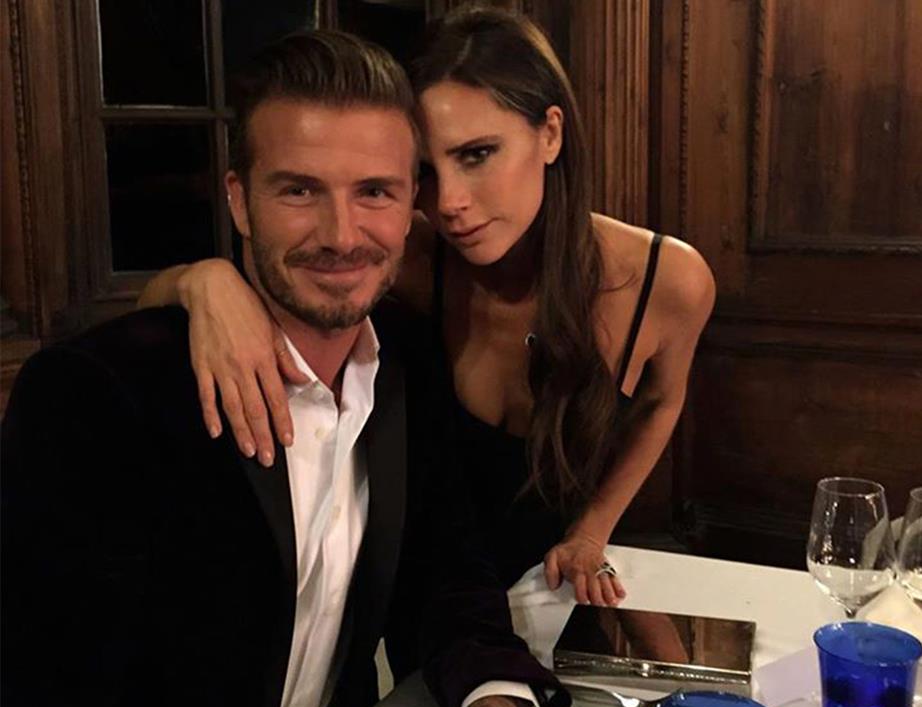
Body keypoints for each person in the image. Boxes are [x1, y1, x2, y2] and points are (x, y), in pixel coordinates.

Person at [0, 29, 567, 707]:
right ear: (240, 201)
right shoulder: (98, 397)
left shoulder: (408, 361)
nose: (341, 235)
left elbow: (448, 579)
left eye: (374, 192)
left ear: (411, 205)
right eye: (299, 190)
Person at [140, 7, 715, 607]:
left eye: (477, 154)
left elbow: (662, 399)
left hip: (554, 589)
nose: (449, 204)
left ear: (550, 133)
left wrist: (592, 530)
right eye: (426, 173)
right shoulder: (407, 253)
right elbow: (154, 309)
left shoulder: (665, 280)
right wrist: (204, 281)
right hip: (421, 597)